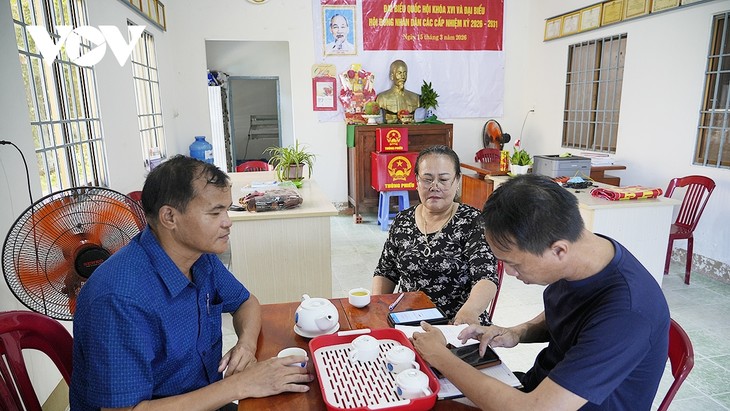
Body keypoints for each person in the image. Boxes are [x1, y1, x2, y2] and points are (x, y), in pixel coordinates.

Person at [70, 155, 313, 411]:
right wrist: (240, 384)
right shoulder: (120, 299)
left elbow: (246, 302)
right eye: (215, 212)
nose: (228, 222)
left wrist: (246, 345)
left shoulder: (199, 258)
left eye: (227, 209)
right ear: (169, 217)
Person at [411, 174, 670, 410]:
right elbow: (571, 315)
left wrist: (441, 357)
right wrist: (516, 332)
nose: (509, 273)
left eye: (514, 264)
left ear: (558, 251)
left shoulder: (627, 314)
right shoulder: (584, 254)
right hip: (538, 386)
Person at [372, 145, 500, 325]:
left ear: (457, 181)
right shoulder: (403, 220)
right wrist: (377, 310)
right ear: (417, 181)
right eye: (427, 179)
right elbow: (385, 272)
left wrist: (468, 313)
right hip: (409, 320)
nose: (435, 186)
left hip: (456, 324)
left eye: (444, 179)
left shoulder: (473, 222)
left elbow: (486, 278)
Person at [375, 59, 421, 123]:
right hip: (390, 128)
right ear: (391, 76)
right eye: (399, 73)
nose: (402, 76)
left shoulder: (415, 97)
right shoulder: (382, 98)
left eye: (405, 73)